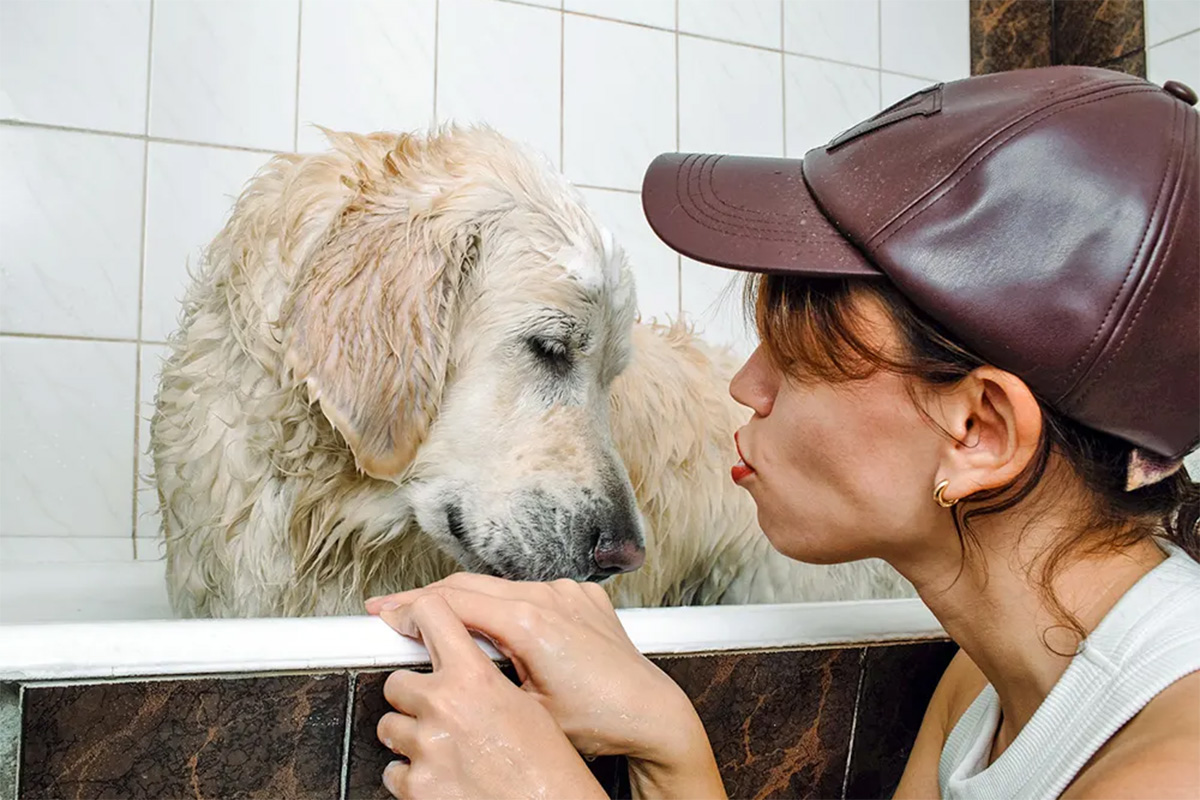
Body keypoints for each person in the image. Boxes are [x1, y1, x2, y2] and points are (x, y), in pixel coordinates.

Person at [363, 65, 1200, 799]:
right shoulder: (989, 685)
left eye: (796, 359)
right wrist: (668, 737)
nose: (743, 386)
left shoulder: (1168, 771)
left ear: (978, 430)